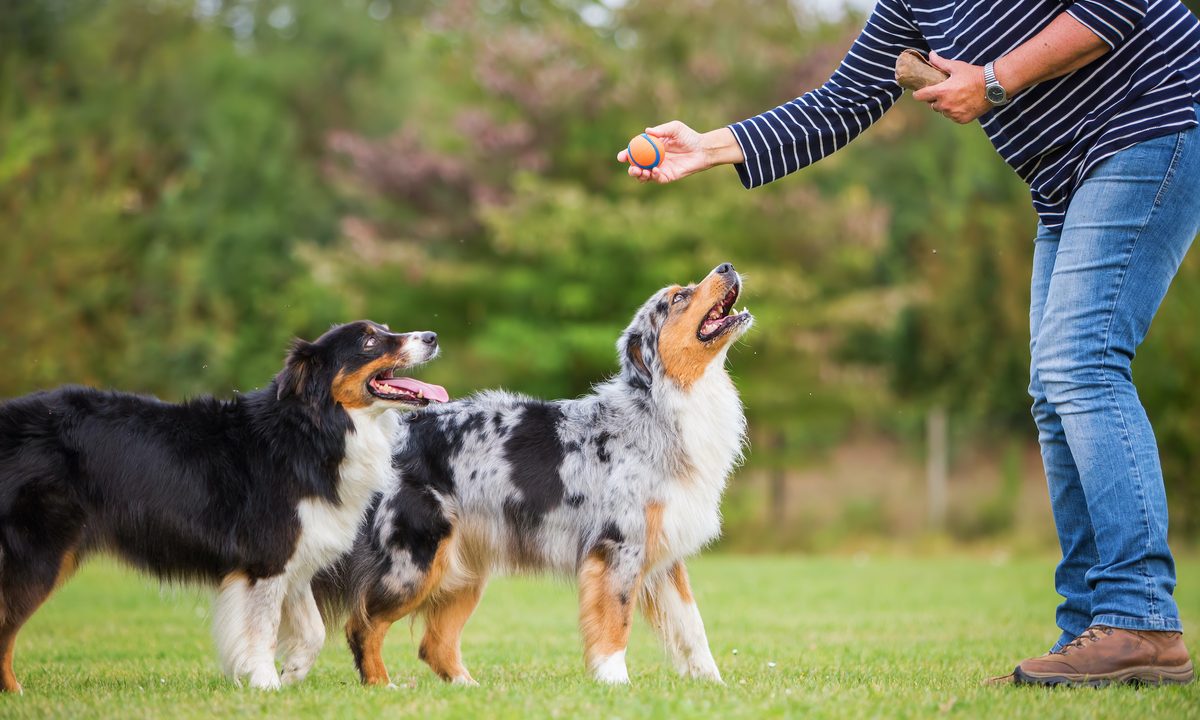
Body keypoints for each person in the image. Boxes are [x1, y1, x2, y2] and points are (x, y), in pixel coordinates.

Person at [618, 0, 1200, 686]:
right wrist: (709, 145)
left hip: (1152, 119)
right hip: (1065, 177)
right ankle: (1091, 627)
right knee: (1054, 389)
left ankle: (1141, 620)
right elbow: (843, 102)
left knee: (1081, 364)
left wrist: (995, 79)